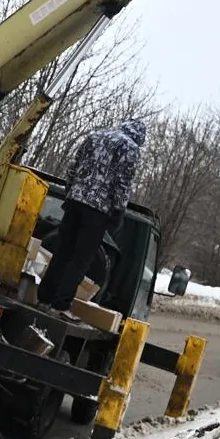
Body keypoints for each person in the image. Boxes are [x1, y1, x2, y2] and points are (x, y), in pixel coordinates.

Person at [37, 117, 146, 312]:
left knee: (62, 250)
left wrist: (71, 191)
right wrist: (118, 211)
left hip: (75, 201)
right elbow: (123, 184)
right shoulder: (130, 148)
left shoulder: (96, 135)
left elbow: (73, 167)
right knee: (81, 258)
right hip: (98, 210)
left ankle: (44, 296)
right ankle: (60, 303)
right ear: (140, 138)